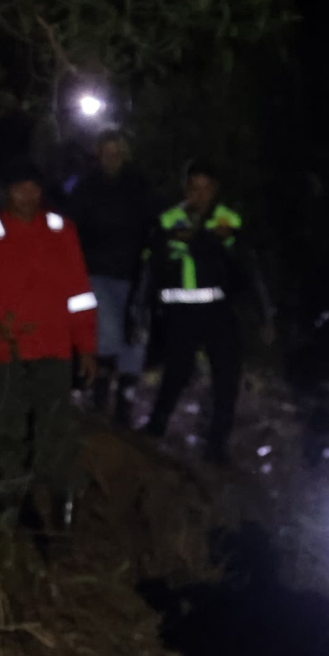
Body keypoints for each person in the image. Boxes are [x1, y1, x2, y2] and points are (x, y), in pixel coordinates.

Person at [0, 160, 97, 530]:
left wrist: (87, 347)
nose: (27, 195)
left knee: (55, 432)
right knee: (5, 431)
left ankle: (61, 516)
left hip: (53, 350)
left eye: (33, 187)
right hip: (0, 351)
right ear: (7, 191)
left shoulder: (61, 231)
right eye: (19, 187)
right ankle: (7, 511)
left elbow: (79, 294)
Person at [144, 161, 245, 465]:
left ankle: (216, 447)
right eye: (194, 188)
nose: (199, 195)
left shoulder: (228, 220)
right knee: (175, 373)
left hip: (218, 311)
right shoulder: (169, 219)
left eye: (206, 188)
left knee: (226, 378)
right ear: (185, 188)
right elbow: (154, 263)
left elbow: (242, 263)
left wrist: (208, 241)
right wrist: (148, 308)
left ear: (214, 190)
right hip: (180, 312)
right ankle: (155, 428)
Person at [66, 131, 154, 421]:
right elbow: (73, 224)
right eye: (106, 153)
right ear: (99, 154)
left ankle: (125, 402)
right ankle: (100, 393)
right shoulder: (87, 186)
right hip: (97, 271)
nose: (111, 159)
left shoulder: (138, 185)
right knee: (108, 333)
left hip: (132, 273)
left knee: (135, 338)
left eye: (117, 153)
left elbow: (153, 222)